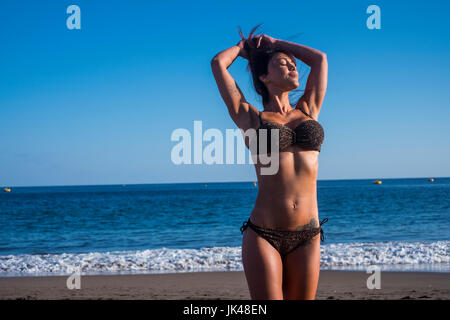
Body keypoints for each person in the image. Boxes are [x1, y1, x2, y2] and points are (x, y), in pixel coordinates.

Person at [210, 24, 329, 300]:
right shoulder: (251, 118)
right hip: (264, 234)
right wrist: (244, 49)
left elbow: (319, 59)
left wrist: (277, 43)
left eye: (293, 63)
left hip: (308, 234)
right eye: (283, 64)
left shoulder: (309, 109)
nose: (293, 67)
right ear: (264, 76)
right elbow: (218, 63)